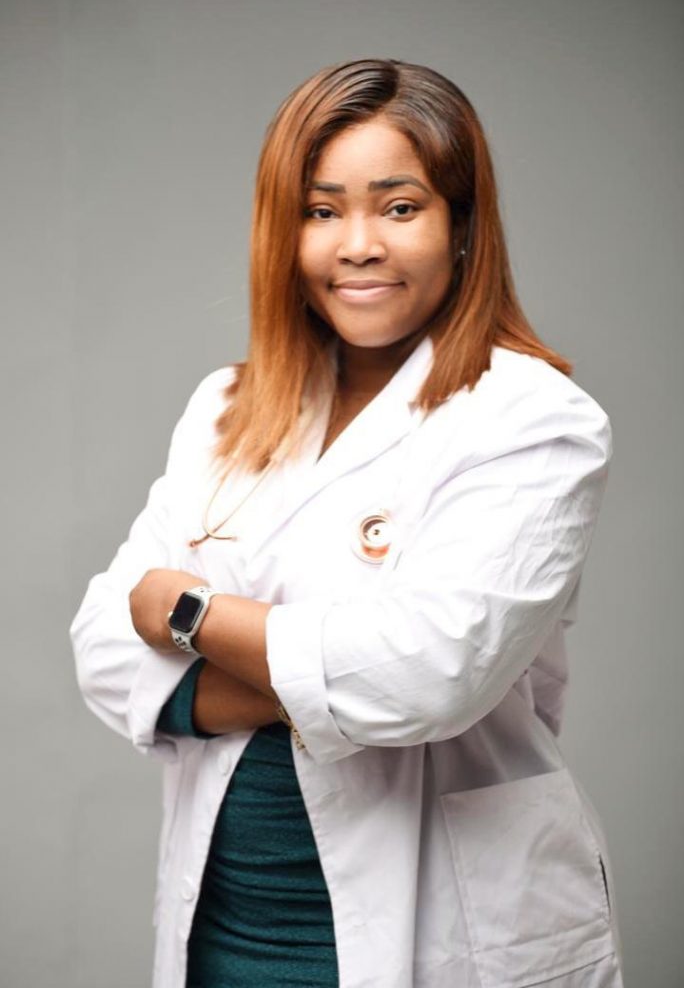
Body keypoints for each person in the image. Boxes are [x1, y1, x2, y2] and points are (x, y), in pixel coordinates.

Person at [70, 58, 625, 988]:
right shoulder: (225, 409)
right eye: (322, 211)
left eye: (399, 207)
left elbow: (426, 675)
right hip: (228, 928)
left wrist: (189, 615)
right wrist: (318, 676)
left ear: (462, 226)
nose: (358, 245)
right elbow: (102, 649)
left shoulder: (533, 419)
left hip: (447, 933)